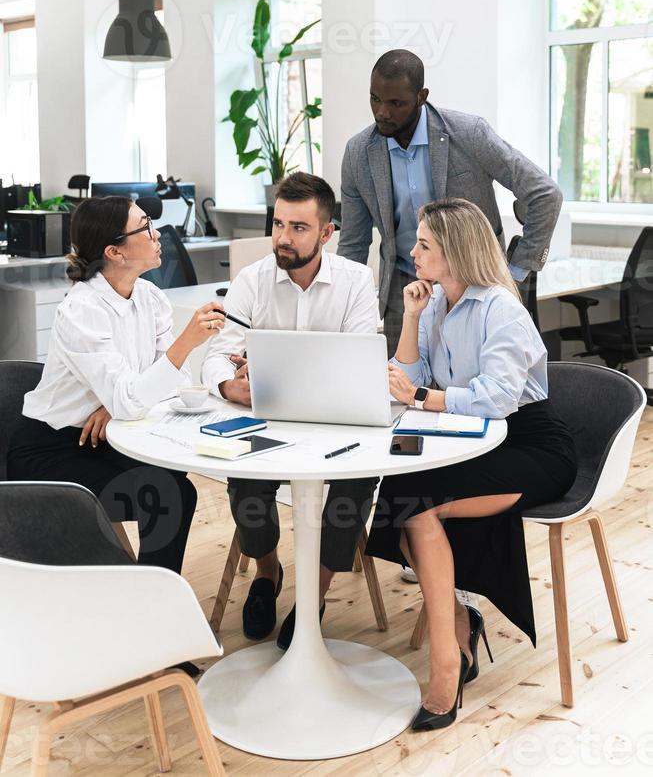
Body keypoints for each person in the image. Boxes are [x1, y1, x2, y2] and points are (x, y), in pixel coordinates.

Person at [365, 198, 576, 732]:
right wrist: (411, 317)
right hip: (469, 440)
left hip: (530, 445)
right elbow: (405, 376)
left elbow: (498, 398)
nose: (411, 252)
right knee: (401, 491)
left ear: (455, 252)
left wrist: (423, 397)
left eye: (424, 245)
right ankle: (460, 626)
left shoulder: (500, 309)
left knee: (417, 507)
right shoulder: (436, 303)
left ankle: (446, 664)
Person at [201, 172, 379, 650]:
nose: (282, 237)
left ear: (326, 233)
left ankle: (313, 598)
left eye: (298, 228)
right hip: (266, 420)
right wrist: (226, 384)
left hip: (337, 423)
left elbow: (362, 363)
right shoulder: (251, 281)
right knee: (243, 476)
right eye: (278, 224)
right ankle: (267, 573)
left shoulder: (356, 282)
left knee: (356, 484)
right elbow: (219, 353)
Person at [8, 195, 226, 576]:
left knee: (174, 483)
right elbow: (143, 389)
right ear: (115, 251)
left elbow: (175, 386)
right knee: (165, 491)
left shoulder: (150, 297)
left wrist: (114, 404)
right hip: (51, 447)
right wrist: (183, 345)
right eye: (145, 227)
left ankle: (149, 595)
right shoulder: (82, 310)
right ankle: (150, 602)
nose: (157, 233)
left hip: (107, 432)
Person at [337, 49, 563, 356]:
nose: (382, 113)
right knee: (398, 391)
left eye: (396, 103)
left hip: (475, 284)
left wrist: (517, 271)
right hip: (403, 290)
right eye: (375, 99)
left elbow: (545, 193)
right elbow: (352, 243)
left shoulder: (469, 134)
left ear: (421, 96)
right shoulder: (358, 153)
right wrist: (343, 310)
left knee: (474, 392)